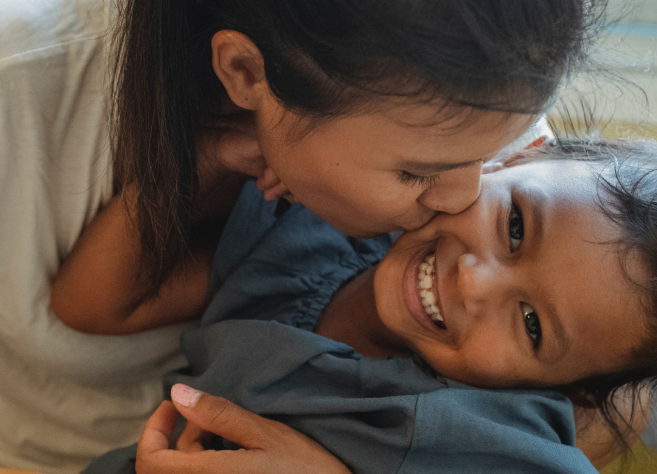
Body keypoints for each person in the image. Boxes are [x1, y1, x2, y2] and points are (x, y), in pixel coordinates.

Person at [0, 0, 605, 471]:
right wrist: (205, 161)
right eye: (419, 172)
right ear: (243, 73)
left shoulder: (474, 70)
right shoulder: (309, 251)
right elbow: (93, 307)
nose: (463, 196)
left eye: (493, 157)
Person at [82, 139, 657, 474]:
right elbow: (94, 305)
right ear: (510, 156)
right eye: (514, 225)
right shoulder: (319, 231)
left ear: (567, 388)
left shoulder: (486, 435)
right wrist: (217, 151)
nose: (474, 283)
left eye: (532, 325)